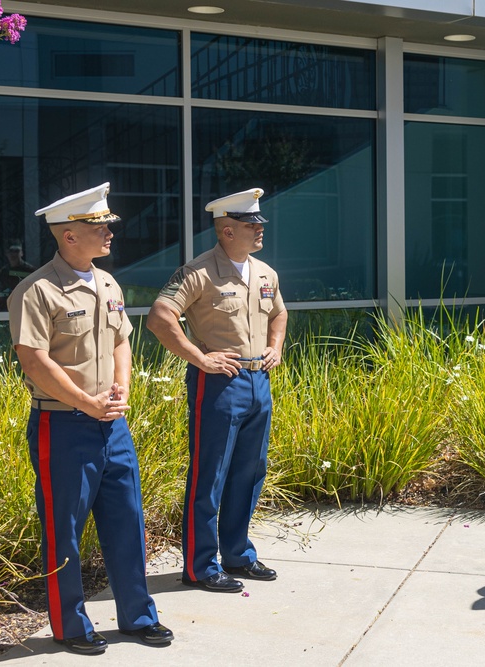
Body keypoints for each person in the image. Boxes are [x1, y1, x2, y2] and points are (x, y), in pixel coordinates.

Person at [7, 183, 173, 655]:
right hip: (63, 426)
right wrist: (85, 401)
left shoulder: (107, 283)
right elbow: (34, 360)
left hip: (111, 424)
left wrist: (121, 391)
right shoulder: (36, 290)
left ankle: (138, 616)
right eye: (98, 227)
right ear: (69, 236)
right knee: (65, 530)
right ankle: (70, 625)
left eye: (107, 226)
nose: (109, 235)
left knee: (127, 520)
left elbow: (122, 340)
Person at [147, 188, 287, 593]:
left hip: (258, 380)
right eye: (250, 225)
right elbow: (160, 316)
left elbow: (279, 313)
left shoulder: (264, 272)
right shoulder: (199, 271)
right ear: (226, 230)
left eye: (259, 224)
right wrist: (199, 358)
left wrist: (274, 348)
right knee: (210, 475)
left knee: (249, 472)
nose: (259, 231)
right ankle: (200, 565)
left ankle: (238, 555)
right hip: (219, 383)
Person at [0, 239, 36, 309]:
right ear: (6, 253)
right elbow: (0, 291)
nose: (14, 254)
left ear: (21, 253)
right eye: (11, 251)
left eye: (17, 251)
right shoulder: (4, 271)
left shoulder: (30, 270)